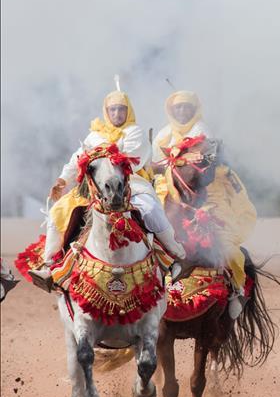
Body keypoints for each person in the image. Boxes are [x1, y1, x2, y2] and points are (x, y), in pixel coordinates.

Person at [28, 88, 184, 290]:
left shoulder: (135, 132)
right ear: (106, 111)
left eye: (121, 109)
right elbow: (78, 160)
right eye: (113, 110)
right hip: (95, 186)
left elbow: (132, 161)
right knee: (58, 211)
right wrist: (63, 180)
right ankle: (50, 266)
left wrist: (102, 156)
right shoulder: (94, 135)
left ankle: (175, 256)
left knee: (150, 209)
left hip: (131, 183)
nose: (117, 114)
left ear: (128, 111)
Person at [153, 90, 257, 319]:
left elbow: (199, 165)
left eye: (186, 107)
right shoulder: (162, 134)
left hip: (202, 193)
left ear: (194, 109)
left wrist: (173, 161)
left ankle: (237, 289)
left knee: (225, 244)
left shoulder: (202, 131)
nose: (182, 111)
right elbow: (154, 165)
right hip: (164, 188)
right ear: (171, 110)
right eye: (177, 107)